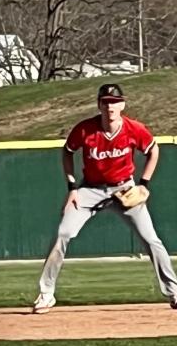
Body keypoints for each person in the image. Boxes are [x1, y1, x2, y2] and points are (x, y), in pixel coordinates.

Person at [33, 82, 177, 313]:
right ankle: (46, 293)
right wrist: (72, 187)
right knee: (64, 233)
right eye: (106, 102)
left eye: (114, 102)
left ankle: (174, 292)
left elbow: (153, 149)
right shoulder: (85, 130)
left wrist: (144, 184)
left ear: (122, 104)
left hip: (124, 189)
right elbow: (68, 152)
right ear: (99, 105)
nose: (110, 107)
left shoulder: (133, 128)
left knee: (152, 240)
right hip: (89, 190)